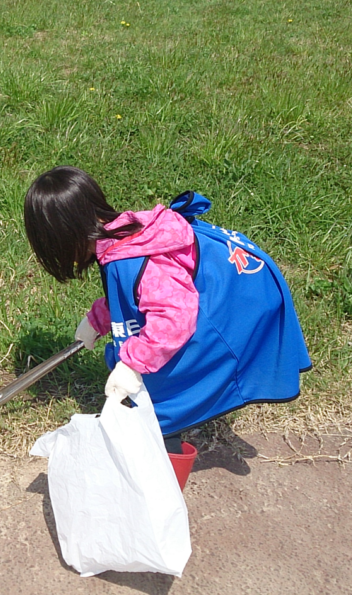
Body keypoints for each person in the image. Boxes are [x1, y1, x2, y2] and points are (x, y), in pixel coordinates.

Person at [23, 166, 311, 454]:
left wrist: (134, 364)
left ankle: (165, 463)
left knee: (161, 406)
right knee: (151, 379)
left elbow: (173, 319)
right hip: (215, 294)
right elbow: (133, 297)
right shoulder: (118, 237)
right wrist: (98, 319)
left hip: (238, 306)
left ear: (61, 236)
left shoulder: (134, 258)